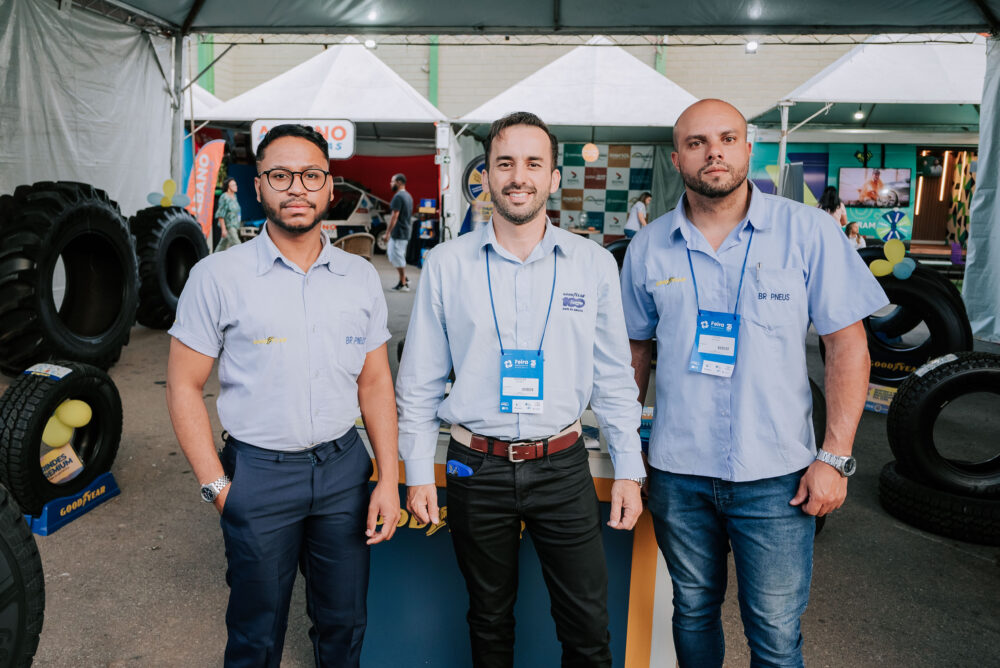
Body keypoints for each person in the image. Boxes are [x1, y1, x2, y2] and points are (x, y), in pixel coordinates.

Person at [620, 99, 888, 668]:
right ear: (677, 159)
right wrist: (627, 450)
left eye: (726, 139)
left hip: (777, 476)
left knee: (774, 630)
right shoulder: (648, 247)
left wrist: (835, 457)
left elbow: (847, 346)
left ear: (747, 148)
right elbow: (634, 352)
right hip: (678, 473)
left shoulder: (808, 231)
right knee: (692, 610)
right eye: (696, 143)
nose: (713, 152)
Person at [396, 111, 646, 668]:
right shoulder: (447, 264)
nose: (518, 177)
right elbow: (419, 382)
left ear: (554, 178)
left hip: (562, 465)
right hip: (473, 467)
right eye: (505, 163)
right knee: (488, 621)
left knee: (588, 628)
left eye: (534, 164)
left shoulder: (592, 264)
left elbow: (613, 378)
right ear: (485, 175)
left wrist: (629, 468)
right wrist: (418, 472)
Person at [165, 123, 401, 667]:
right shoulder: (217, 276)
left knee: (345, 625)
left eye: (311, 175)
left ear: (330, 186)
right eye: (280, 175)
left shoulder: (360, 277)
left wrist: (388, 479)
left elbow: (375, 383)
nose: (297, 187)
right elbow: (183, 385)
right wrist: (218, 489)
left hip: (343, 472)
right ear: (258, 187)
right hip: (259, 474)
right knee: (256, 634)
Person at [382, 173, 414, 291]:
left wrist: (387, 233)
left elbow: (394, 216)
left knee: (397, 256)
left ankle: (403, 283)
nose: (391, 184)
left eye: (392, 181)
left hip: (399, 232)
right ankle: (404, 277)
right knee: (393, 255)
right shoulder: (408, 196)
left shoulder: (398, 197)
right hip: (404, 231)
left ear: (399, 182)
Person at [214, 177, 243, 252]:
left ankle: (213, 257)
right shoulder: (224, 197)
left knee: (222, 246)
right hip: (229, 226)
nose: (236, 186)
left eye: (236, 184)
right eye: (233, 185)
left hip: (235, 225)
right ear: (228, 187)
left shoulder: (234, 196)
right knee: (238, 244)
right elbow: (220, 214)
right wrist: (223, 229)